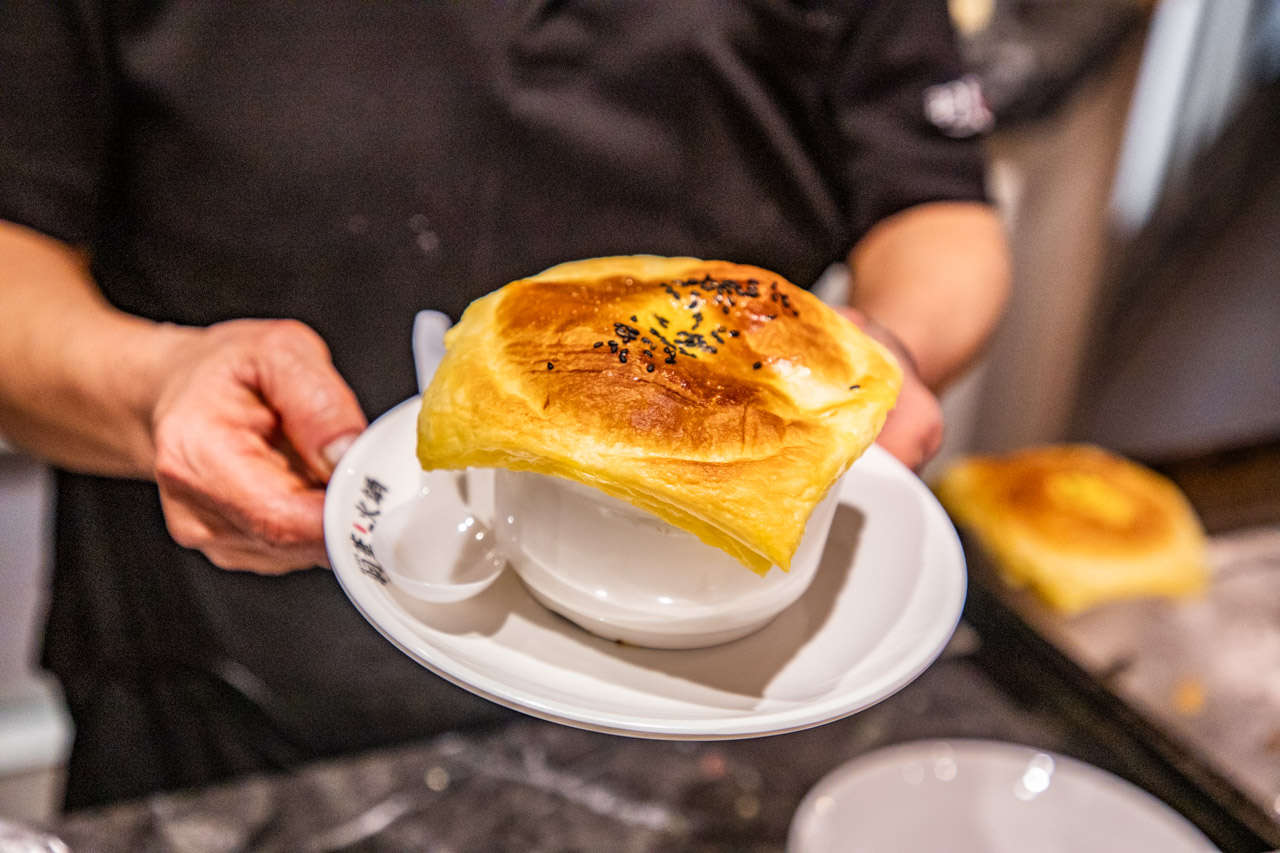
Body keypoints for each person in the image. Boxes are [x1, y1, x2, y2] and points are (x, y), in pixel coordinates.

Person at [0, 1, 1009, 807]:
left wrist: (888, 346)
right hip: (225, 699)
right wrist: (152, 387)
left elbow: (938, 207)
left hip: (711, 703)